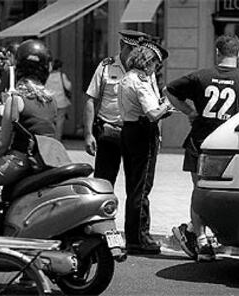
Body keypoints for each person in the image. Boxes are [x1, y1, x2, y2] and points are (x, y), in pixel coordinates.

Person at [164, 34, 239, 262]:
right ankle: (213, 236)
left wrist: (190, 112)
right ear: (237, 54)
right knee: (225, 195)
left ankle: (201, 241)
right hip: (232, 147)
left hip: (200, 143)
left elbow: (168, 91)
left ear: (217, 52)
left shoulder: (200, 77)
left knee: (199, 193)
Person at [118, 39, 171, 255]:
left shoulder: (126, 77)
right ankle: (139, 237)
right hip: (142, 132)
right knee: (142, 187)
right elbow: (152, 113)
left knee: (133, 186)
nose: (155, 69)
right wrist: (166, 106)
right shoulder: (140, 80)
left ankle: (132, 235)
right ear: (148, 62)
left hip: (129, 130)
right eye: (155, 64)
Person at [0, 39, 57, 187]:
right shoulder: (52, 101)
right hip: (45, 161)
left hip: (18, 162)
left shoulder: (16, 99)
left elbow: (3, 144)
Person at [83, 30, 150, 187]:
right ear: (121, 45)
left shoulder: (146, 69)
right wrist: (88, 134)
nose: (135, 54)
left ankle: (131, 213)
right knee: (103, 183)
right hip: (109, 131)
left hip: (135, 132)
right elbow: (90, 99)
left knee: (136, 186)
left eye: (138, 50)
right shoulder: (106, 66)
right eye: (130, 49)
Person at [45, 59, 72, 141]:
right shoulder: (62, 76)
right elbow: (68, 86)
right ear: (60, 67)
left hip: (50, 102)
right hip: (61, 102)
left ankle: (49, 139)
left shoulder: (47, 76)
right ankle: (57, 140)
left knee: (50, 121)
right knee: (59, 122)